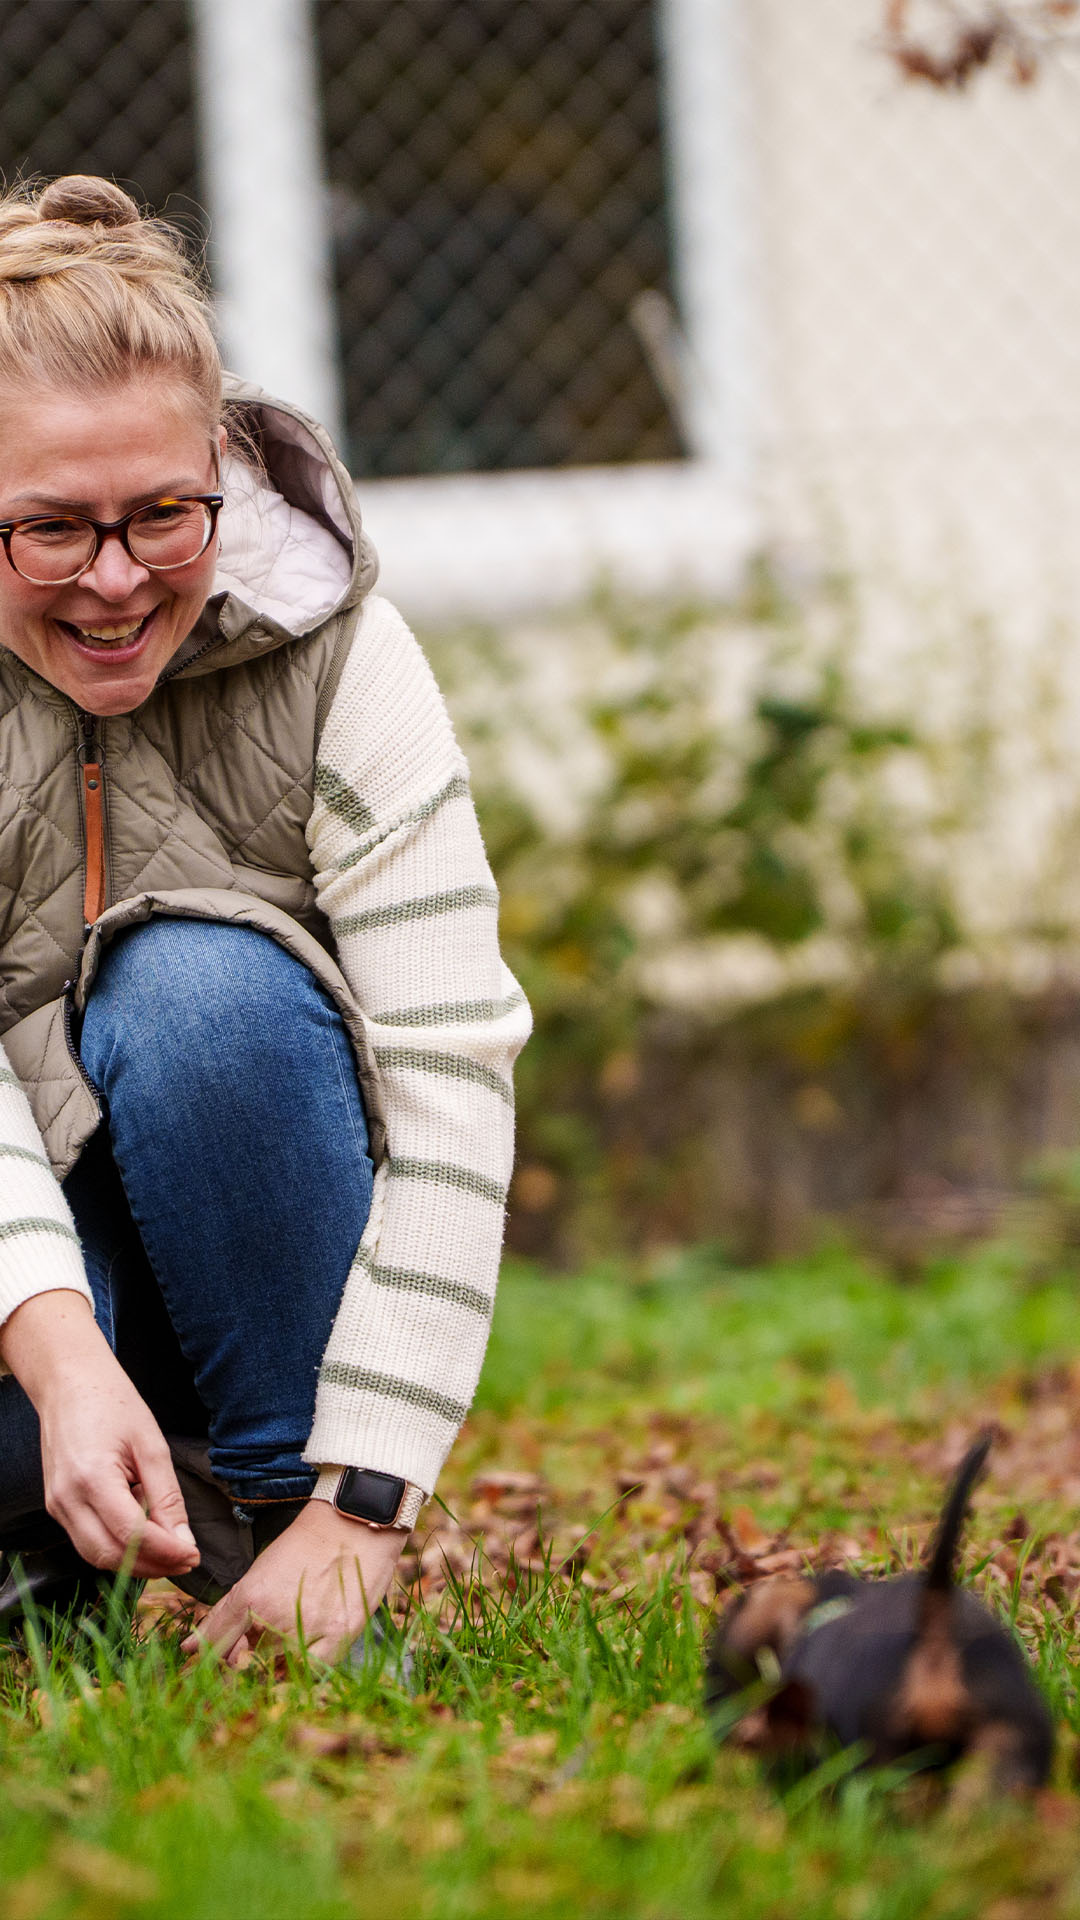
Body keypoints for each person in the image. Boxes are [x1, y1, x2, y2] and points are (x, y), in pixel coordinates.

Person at [0, 174, 529, 1665]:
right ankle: (43, 1550)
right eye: (49, 530)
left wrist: (362, 1509)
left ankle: (286, 1542)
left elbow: (450, 1071)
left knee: (199, 992)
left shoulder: (340, 654)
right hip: (30, 1306)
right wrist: (56, 1358)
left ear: (219, 468)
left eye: (162, 515)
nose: (115, 582)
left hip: (249, 1255)